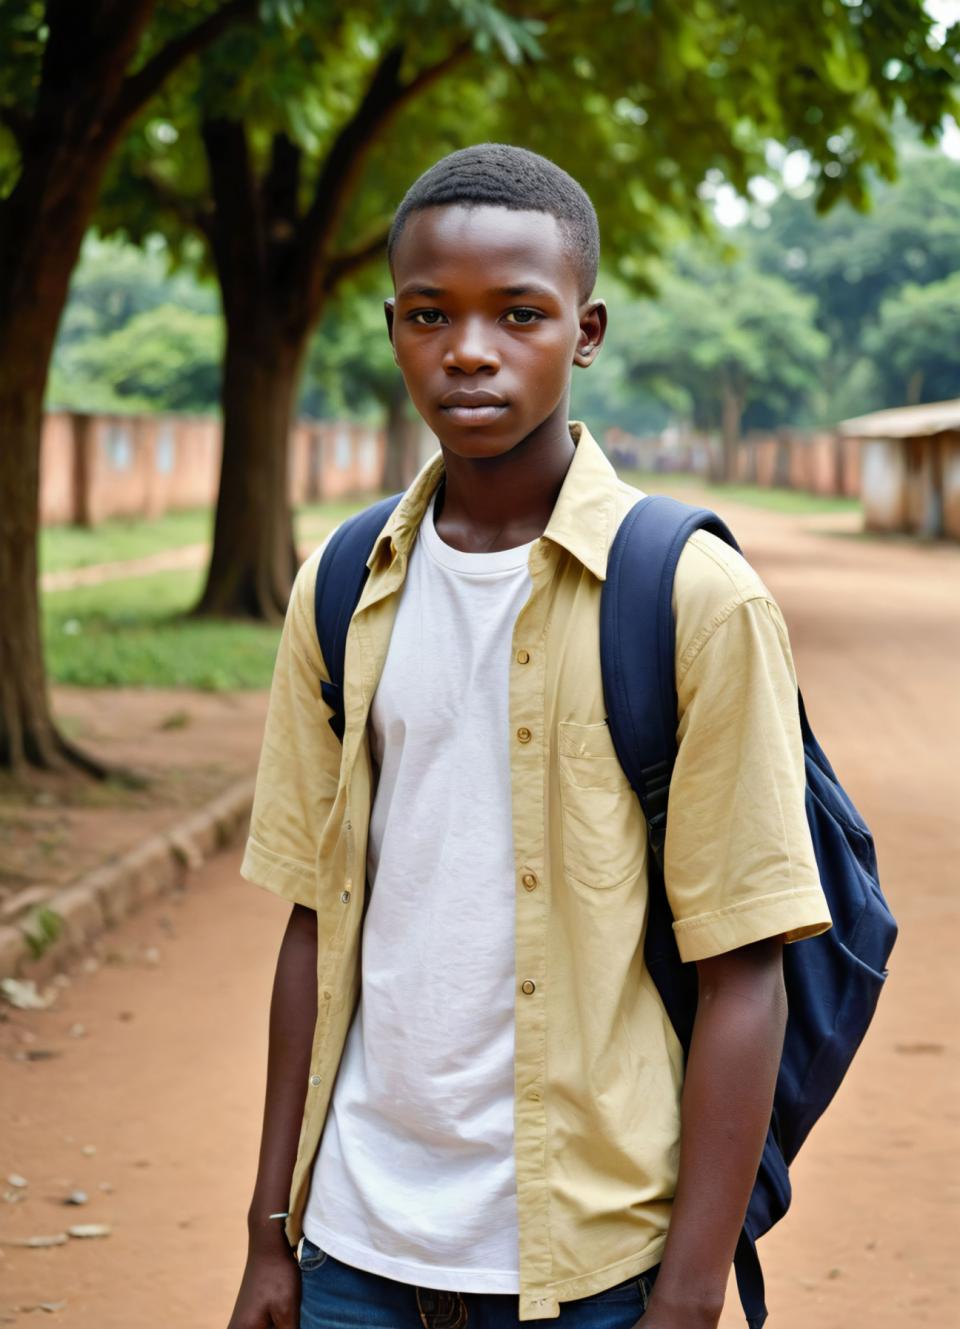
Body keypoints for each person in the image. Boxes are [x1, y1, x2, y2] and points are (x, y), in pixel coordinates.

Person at [226, 144, 831, 1329]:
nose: (468, 349)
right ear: (394, 327)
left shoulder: (693, 598)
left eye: (519, 313)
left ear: (585, 331)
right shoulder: (343, 586)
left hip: (587, 1270)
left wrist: (692, 1293)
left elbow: (745, 967)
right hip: (353, 1245)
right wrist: (270, 1236)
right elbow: (314, 920)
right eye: (427, 314)